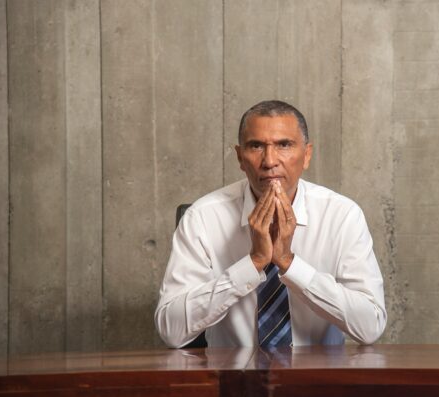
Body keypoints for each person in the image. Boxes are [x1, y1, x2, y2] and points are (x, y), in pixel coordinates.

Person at [155, 100, 386, 347]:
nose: (269, 161)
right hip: (233, 377)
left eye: (284, 145)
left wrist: (289, 263)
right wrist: (252, 263)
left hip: (321, 379)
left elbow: (370, 326)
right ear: (240, 157)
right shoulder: (202, 217)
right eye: (256, 146)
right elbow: (172, 330)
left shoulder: (342, 215)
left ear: (306, 155)